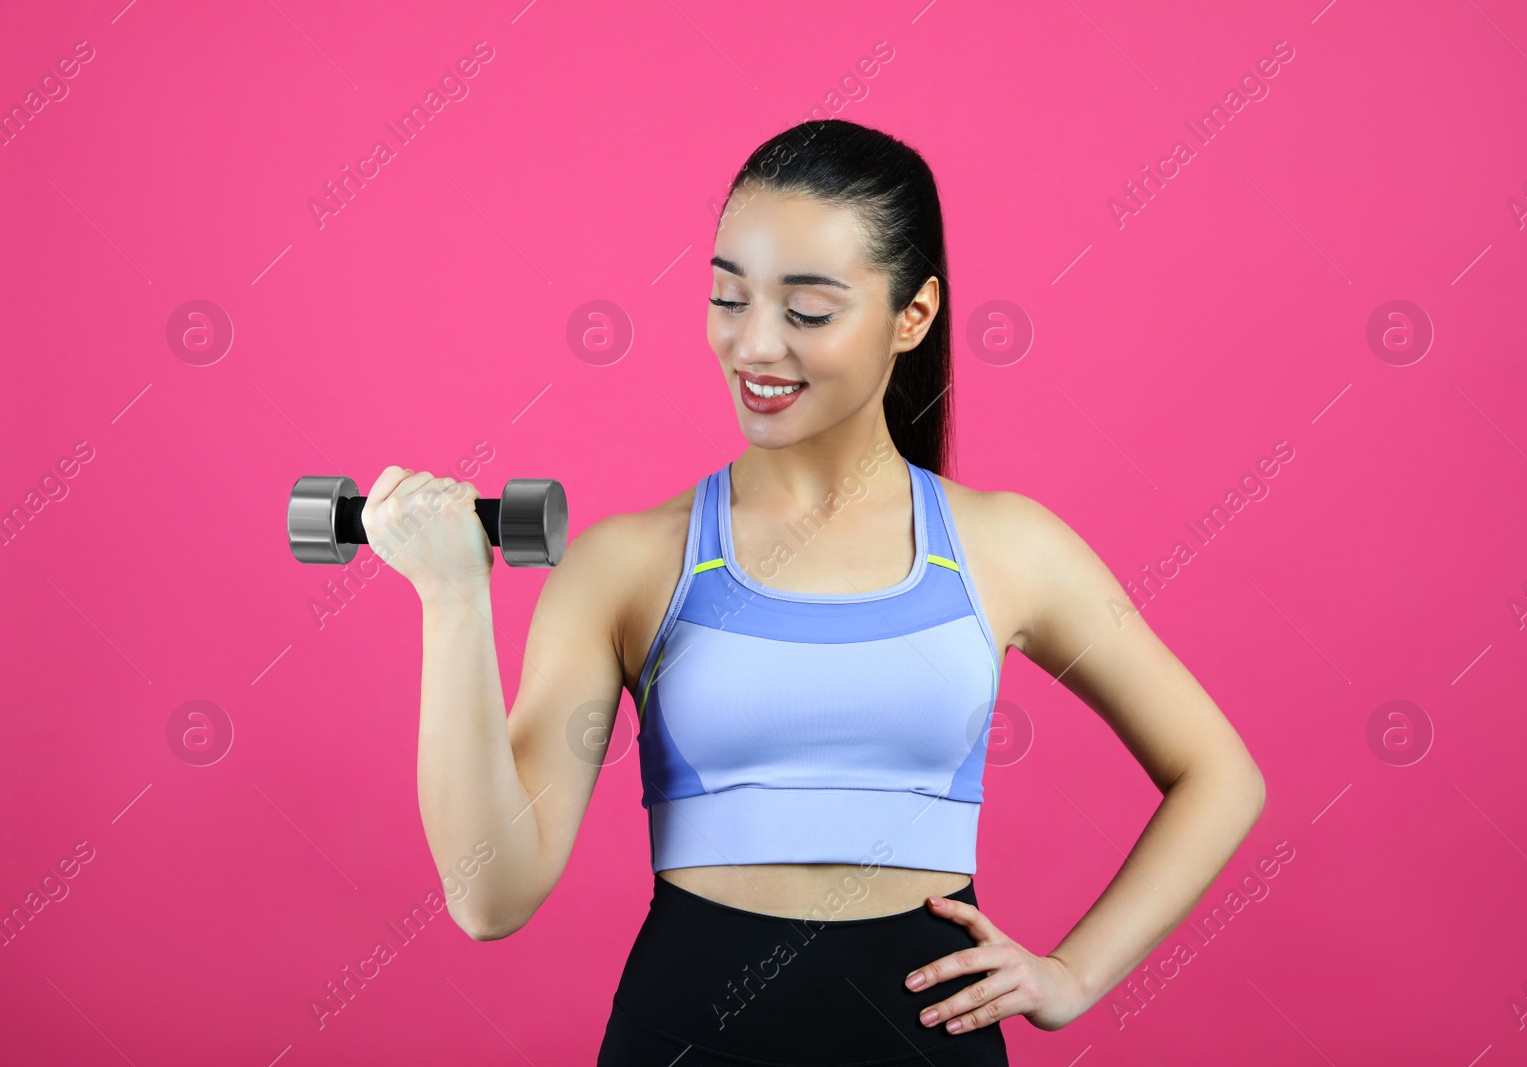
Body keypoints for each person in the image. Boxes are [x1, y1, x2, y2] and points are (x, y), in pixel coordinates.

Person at [362, 119, 1265, 1066]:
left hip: (926, 1043)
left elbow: (1219, 776)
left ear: (911, 317)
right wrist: (453, 600)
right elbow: (491, 895)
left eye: (808, 310)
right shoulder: (629, 565)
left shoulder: (1006, 548)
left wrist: (1073, 974)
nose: (754, 344)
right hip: (685, 1037)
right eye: (727, 296)